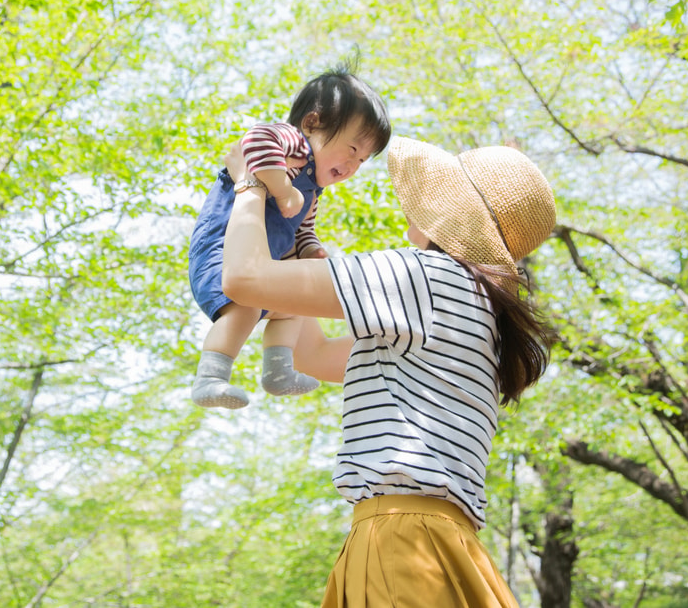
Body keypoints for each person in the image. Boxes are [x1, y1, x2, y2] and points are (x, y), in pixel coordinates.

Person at [221, 135, 557, 607]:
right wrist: (295, 247)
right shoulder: (478, 311)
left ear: (447, 211)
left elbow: (242, 278)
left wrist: (251, 183)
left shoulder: (425, 276)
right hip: (441, 542)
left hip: (400, 540)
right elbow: (310, 354)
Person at [188, 66, 391, 409]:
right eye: (352, 148)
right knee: (245, 309)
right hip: (221, 250)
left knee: (294, 306)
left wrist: (310, 248)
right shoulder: (294, 145)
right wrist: (282, 190)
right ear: (312, 124)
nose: (353, 164)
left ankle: (279, 370)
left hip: (262, 264)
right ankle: (210, 377)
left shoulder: (313, 190)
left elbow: (302, 228)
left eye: (362, 160)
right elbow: (254, 141)